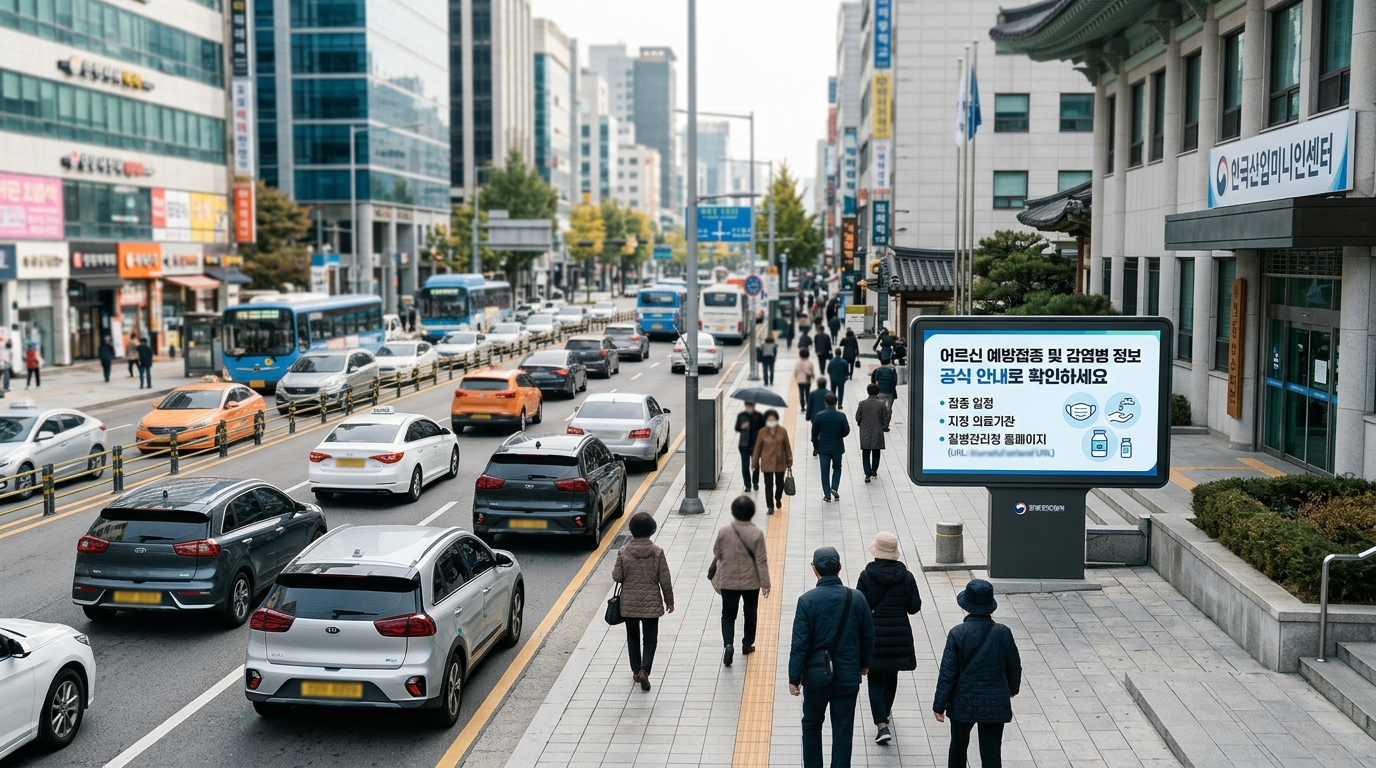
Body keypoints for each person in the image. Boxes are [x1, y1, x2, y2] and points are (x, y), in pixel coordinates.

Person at [789, 547, 874, 768]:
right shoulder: (856, 598)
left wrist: (794, 678)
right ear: (840, 568)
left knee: (811, 725)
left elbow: (799, 644)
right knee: (843, 729)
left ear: (814, 570)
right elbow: (868, 635)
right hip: (848, 676)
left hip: (816, 676)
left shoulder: (806, 601)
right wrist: (864, 665)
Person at [933, 579, 1022, 768]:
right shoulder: (1003, 633)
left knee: (958, 747)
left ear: (967, 606)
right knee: (991, 753)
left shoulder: (957, 633)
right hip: (994, 702)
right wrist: (1012, 689)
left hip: (963, 701)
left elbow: (948, 673)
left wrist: (939, 704)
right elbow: (1014, 666)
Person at [857, 532, 922, 746]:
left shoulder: (866, 576)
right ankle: (885, 712)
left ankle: (881, 726)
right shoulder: (907, 576)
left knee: (874, 677)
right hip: (899, 635)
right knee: (891, 674)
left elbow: (860, 607)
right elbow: (914, 607)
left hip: (874, 634)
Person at [612, 512, 675, 692]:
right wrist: (669, 601)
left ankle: (635, 671)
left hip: (629, 603)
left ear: (632, 530)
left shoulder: (623, 551)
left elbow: (617, 576)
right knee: (650, 638)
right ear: (652, 530)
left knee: (632, 637)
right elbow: (665, 579)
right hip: (651, 603)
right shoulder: (657, 552)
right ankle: (644, 670)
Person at [712, 496, 771, 666]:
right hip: (751, 581)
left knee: (728, 614)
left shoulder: (724, 531)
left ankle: (728, 644)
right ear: (751, 512)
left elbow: (717, 552)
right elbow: (761, 560)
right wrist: (765, 583)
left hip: (728, 580)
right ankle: (747, 644)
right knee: (750, 611)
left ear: (734, 512)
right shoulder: (757, 533)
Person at [811, 393, 850, 502]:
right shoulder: (841, 416)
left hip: (823, 448)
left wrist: (816, 446)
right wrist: (839, 435)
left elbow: (814, 434)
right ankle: (834, 487)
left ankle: (827, 494)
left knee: (824, 471)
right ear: (836, 403)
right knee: (837, 467)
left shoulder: (819, 415)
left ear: (825, 402)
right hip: (837, 447)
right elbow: (846, 431)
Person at [751, 409, 792, 514]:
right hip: (767, 462)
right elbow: (757, 449)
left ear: (776, 419)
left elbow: (787, 446)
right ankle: (770, 506)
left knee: (780, 484)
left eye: (773, 419)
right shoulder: (762, 432)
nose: (771, 421)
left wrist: (789, 459)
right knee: (768, 485)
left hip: (780, 461)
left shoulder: (782, 431)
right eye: (769, 419)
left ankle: (778, 498)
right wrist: (754, 463)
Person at [854, 384, 891, 482]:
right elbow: (885, 417)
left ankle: (867, 473)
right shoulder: (881, 404)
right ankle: (874, 470)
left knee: (865, 452)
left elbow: (858, 417)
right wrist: (884, 426)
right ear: (877, 392)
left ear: (868, 391)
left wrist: (860, 423)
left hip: (865, 431)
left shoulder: (862, 404)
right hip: (877, 431)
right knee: (876, 451)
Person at [735, 401, 766, 492]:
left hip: (755, 444)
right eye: (747, 405)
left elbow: (764, 429)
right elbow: (737, 428)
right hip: (744, 445)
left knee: (755, 464)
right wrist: (742, 427)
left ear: (754, 405)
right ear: (745, 405)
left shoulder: (759, 416)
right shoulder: (741, 416)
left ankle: (755, 482)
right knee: (745, 466)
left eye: (751, 405)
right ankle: (747, 484)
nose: (749, 407)